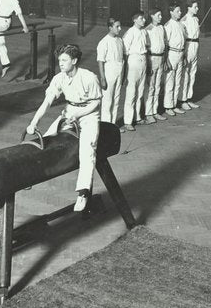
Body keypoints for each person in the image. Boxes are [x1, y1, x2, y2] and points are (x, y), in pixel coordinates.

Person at [25, 44, 103, 212]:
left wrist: (79, 115)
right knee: (46, 138)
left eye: (64, 60)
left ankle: (83, 192)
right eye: (59, 60)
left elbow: (96, 102)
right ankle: (31, 175)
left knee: (87, 149)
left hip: (89, 113)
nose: (60, 63)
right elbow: (47, 102)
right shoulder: (59, 78)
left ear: (74, 61)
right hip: (70, 110)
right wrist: (34, 122)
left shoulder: (89, 77)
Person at [121, 11, 149, 131]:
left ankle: (137, 117)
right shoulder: (130, 33)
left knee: (140, 91)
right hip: (133, 60)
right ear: (134, 20)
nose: (143, 21)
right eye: (141, 19)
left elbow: (146, 47)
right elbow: (125, 51)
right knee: (131, 92)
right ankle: (128, 121)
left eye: (143, 19)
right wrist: (126, 68)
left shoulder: (144, 31)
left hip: (143, 59)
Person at [96, 18, 126, 126]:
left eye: (120, 26)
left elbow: (123, 58)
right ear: (110, 27)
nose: (120, 28)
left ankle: (113, 125)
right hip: (109, 72)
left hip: (119, 70)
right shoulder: (104, 42)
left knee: (116, 99)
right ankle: (106, 126)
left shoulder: (120, 40)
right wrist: (102, 78)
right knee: (107, 101)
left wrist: (123, 75)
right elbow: (100, 61)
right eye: (117, 26)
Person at [163, 2, 190, 114]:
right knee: (170, 80)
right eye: (177, 11)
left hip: (180, 53)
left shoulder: (181, 25)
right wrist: (166, 60)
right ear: (171, 12)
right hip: (172, 54)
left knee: (178, 81)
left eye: (180, 11)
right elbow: (165, 44)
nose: (180, 13)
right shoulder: (168, 26)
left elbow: (183, 41)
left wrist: (183, 56)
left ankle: (174, 104)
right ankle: (168, 106)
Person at [142, 7, 168, 124]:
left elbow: (164, 44)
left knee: (158, 86)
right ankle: (148, 113)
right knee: (151, 87)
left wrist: (165, 59)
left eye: (161, 15)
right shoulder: (147, 30)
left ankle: (155, 111)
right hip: (152, 59)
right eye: (158, 15)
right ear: (152, 16)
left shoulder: (162, 28)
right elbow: (146, 49)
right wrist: (148, 64)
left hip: (161, 58)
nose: (161, 17)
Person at [181, 0, 202, 108]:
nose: (197, 9)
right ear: (189, 8)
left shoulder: (196, 19)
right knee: (186, 74)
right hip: (188, 46)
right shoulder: (184, 20)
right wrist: (184, 53)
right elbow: (183, 38)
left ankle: (189, 98)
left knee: (193, 73)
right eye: (195, 7)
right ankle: (183, 100)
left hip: (195, 46)